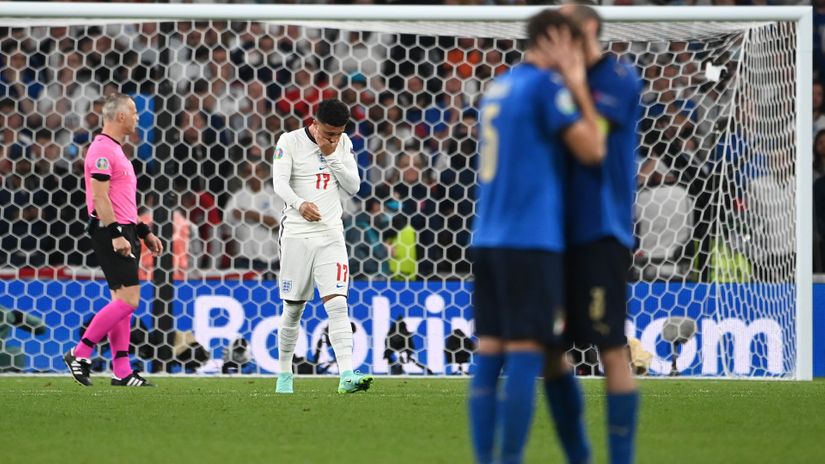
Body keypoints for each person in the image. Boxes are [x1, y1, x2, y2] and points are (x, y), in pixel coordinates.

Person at [469, 10, 605, 464]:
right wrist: (576, 84)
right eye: (570, 44)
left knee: (489, 349)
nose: (577, 55)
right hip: (530, 239)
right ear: (552, 41)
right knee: (526, 350)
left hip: (487, 238)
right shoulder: (546, 88)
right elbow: (593, 148)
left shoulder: (498, 87)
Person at [547, 5, 644, 464]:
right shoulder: (553, 78)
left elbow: (592, 140)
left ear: (587, 29)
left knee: (611, 348)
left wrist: (566, 81)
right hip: (551, 233)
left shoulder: (619, 78)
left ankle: (620, 458)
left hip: (600, 229)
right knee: (549, 350)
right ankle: (579, 454)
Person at [271, 99, 373, 394]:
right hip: (297, 235)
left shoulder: (341, 145)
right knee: (293, 309)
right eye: (328, 133)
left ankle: (346, 375)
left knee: (338, 304)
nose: (333, 139)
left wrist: (332, 156)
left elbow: (354, 186)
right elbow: (279, 183)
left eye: (339, 133)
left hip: (330, 235)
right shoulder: (289, 141)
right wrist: (299, 204)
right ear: (314, 124)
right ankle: (284, 375)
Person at [64, 92, 163, 387]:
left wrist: (142, 231)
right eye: (133, 112)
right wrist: (117, 234)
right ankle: (79, 352)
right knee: (130, 300)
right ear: (120, 116)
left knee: (120, 301)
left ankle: (122, 370)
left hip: (124, 229)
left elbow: (122, 200)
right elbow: (100, 198)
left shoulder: (116, 151)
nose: (137, 117)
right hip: (111, 230)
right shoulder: (102, 151)